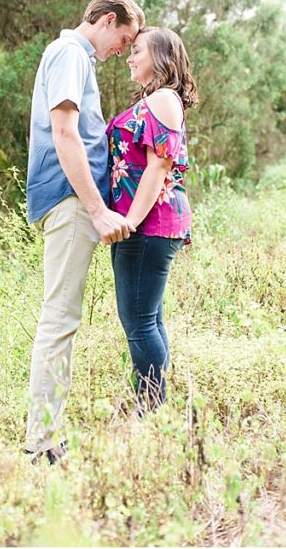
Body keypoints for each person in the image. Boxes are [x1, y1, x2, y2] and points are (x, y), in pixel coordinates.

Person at [25, 0, 144, 464]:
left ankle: (45, 436)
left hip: (76, 201)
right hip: (72, 201)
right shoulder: (70, 53)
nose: (122, 50)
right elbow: (65, 132)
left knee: (62, 317)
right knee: (60, 318)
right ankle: (42, 444)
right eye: (125, 38)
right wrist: (96, 209)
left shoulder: (76, 59)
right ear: (107, 19)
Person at [107, 27, 197, 411]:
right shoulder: (156, 100)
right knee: (147, 319)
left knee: (140, 323)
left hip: (148, 223)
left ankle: (151, 412)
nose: (129, 57)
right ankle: (154, 406)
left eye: (137, 50)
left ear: (160, 57)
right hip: (146, 223)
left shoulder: (163, 99)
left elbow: (158, 166)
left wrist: (130, 221)